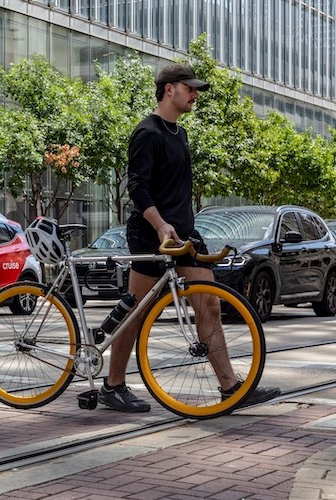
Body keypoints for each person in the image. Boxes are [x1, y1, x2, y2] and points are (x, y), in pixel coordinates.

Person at [97, 63, 281, 413]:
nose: (195, 95)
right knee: (136, 311)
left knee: (209, 302)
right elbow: (137, 188)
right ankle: (113, 385)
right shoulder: (147, 132)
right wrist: (160, 224)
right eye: (191, 88)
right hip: (153, 236)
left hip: (185, 234)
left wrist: (181, 225)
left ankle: (230, 387)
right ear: (170, 89)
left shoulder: (178, 133)